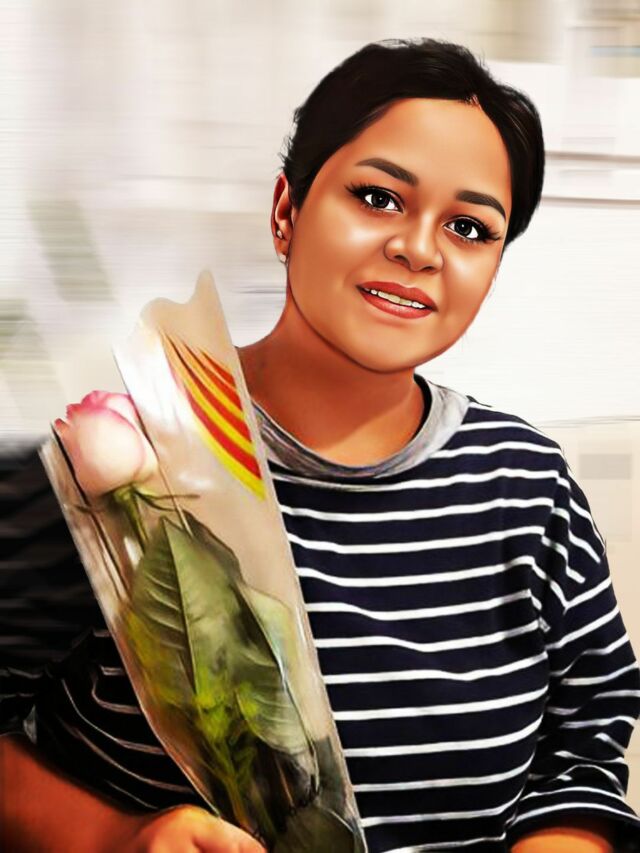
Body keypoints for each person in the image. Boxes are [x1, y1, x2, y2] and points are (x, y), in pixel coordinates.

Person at [1, 37, 639, 853]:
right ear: (286, 210)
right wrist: (119, 835)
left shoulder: (528, 484)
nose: (419, 249)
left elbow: (582, 751)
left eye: (470, 227)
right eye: (378, 197)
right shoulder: (109, 455)